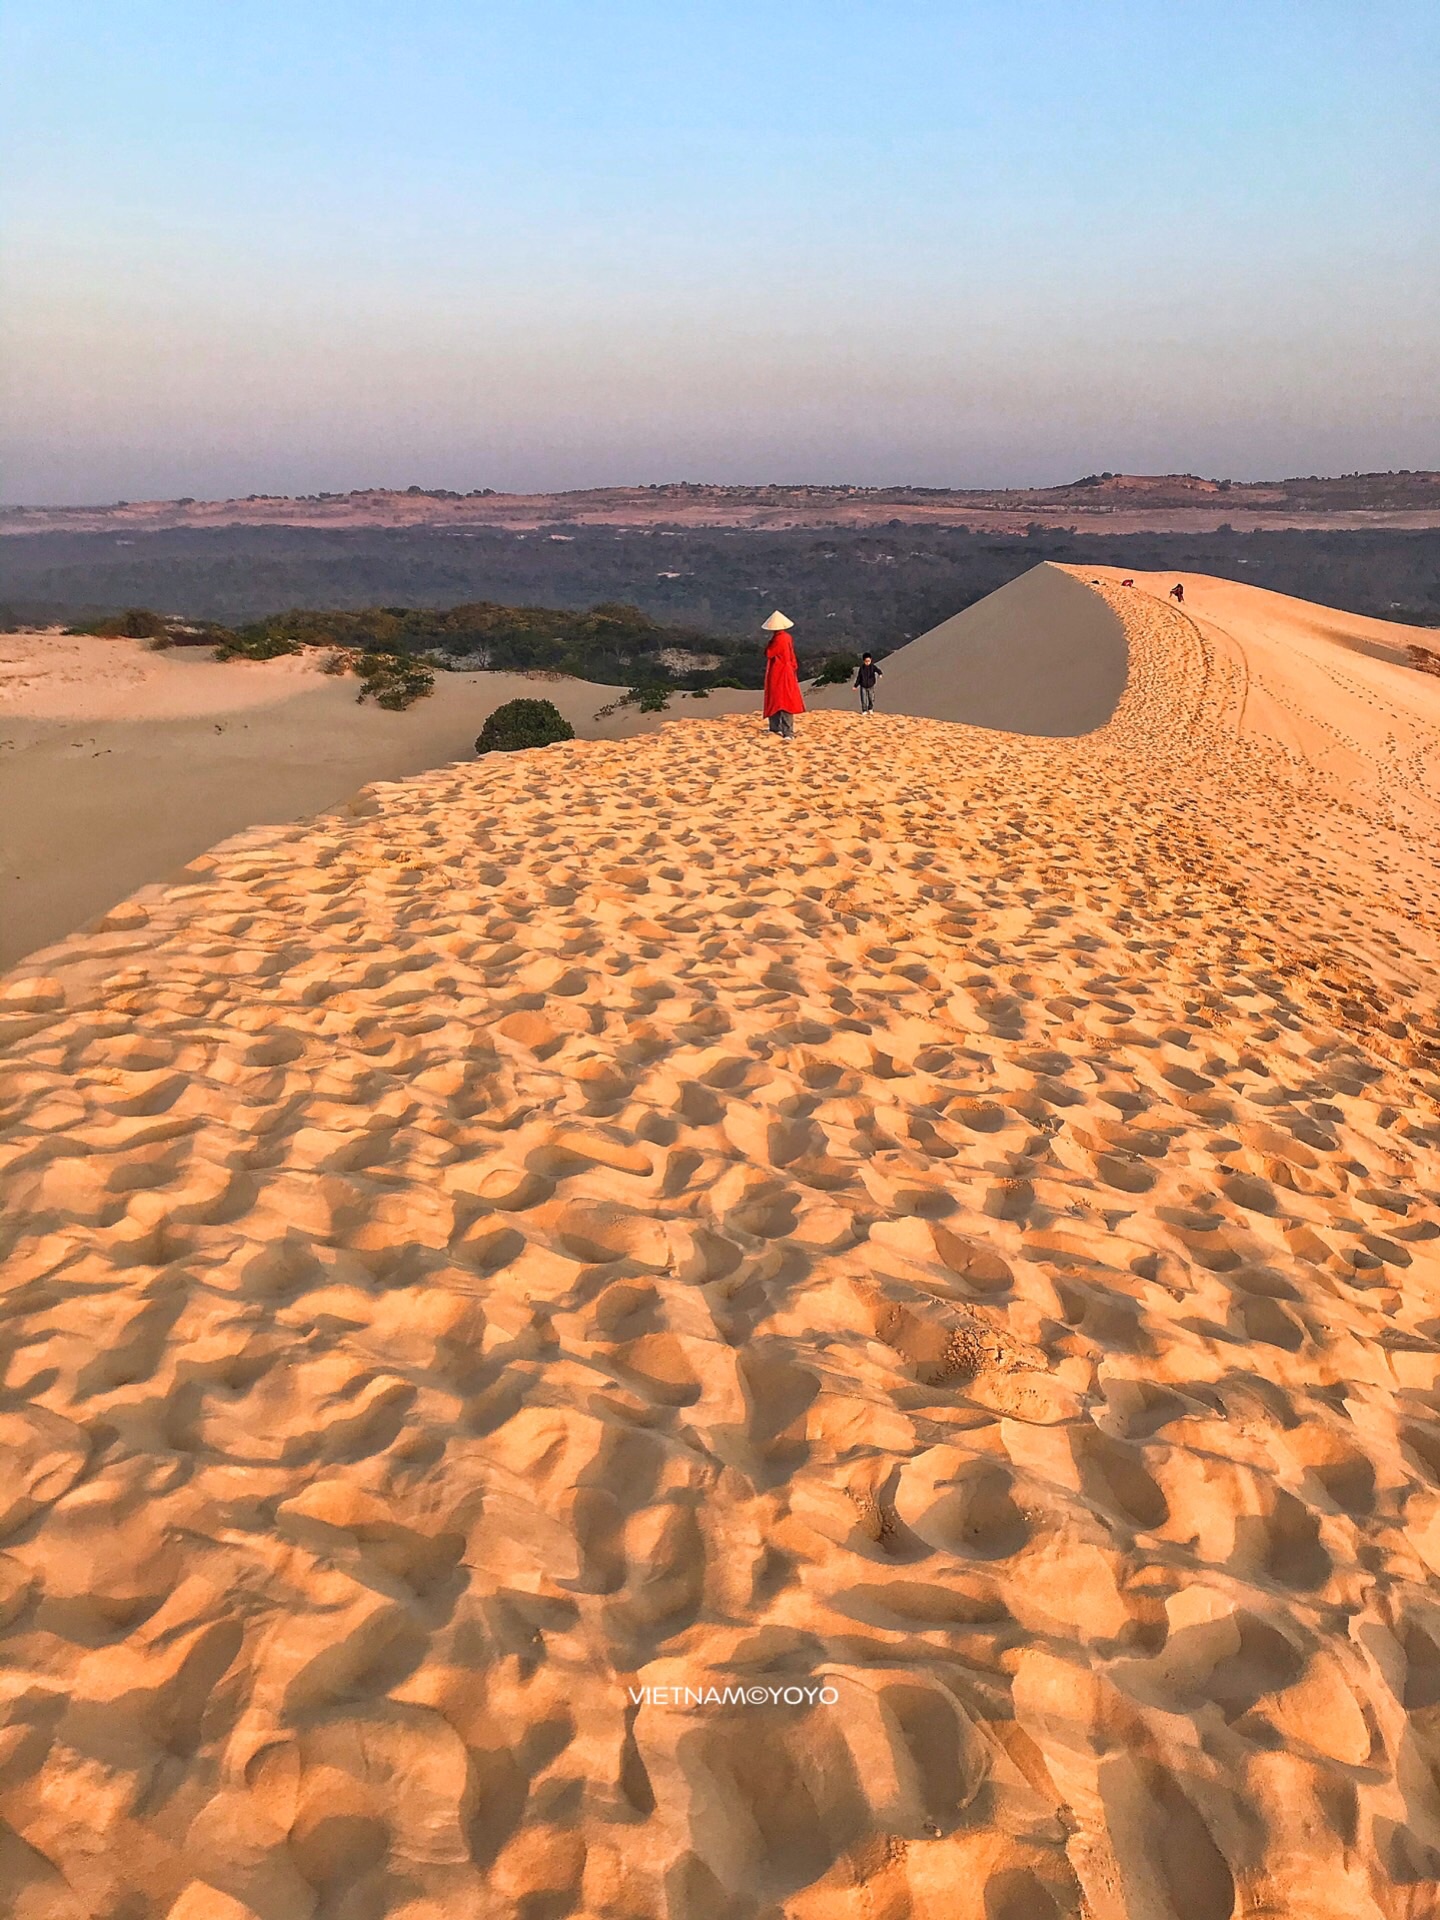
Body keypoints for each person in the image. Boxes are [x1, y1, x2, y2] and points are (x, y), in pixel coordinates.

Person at [761, 611, 804, 740]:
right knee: (780, 699)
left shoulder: (779, 639)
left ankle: (786, 731)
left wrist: (768, 644)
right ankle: (778, 728)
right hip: (786, 670)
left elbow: (769, 653)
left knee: (782, 700)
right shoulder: (786, 637)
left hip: (779, 671)